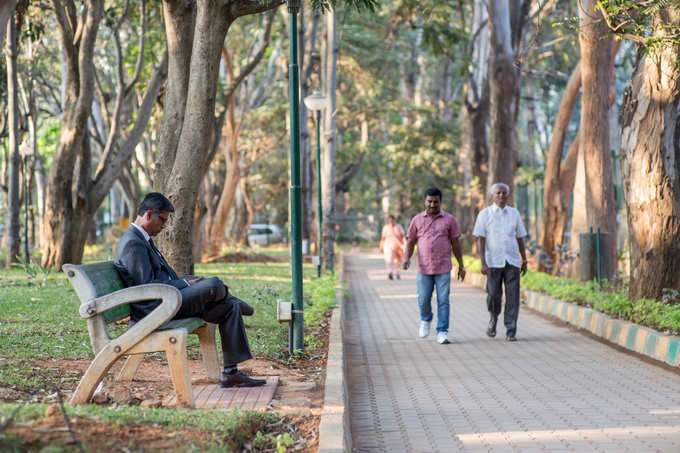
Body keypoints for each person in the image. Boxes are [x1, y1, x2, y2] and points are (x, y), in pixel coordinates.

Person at [114, 192, 265, 388]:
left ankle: (231, 373)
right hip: (155, 309)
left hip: (168, 301)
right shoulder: (133, 242)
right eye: (163, 220)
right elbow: (148, 285)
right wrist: (185, 285)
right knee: (214, 284)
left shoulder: (142, 239)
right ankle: (237, 301)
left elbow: (162, 278)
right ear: (149, 214)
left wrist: (186, 282)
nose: (164, 226)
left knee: (228, 307)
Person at [403, 187, 466, 344]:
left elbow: (456, 244)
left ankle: (442, 331)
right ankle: (426, 319)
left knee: (443, 299)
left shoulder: (450, 220)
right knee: (423, 299)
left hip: (443, 267)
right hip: (424, 268)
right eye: (429, 201)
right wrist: (406, 258)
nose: (432, 205)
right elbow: (410, 241)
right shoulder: (417, 220)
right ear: (425, 201)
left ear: (440, 202)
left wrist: (461, 265)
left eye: (435, 202)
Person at [472, 182, 528, 342]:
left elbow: (520, 237)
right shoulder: (484, 214)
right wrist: (483, 262)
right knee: (493, 295)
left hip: (512, 261)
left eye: (504, 193)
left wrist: (524, 259)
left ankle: (511, 330)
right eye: (498, 193)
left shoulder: (514, 214)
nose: (501, 195)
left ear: (508, 195)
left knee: (512, 297)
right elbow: (481, 240)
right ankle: (493, 318)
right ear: (492, 195)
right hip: (493, 262)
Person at [379, 215, 406, 280]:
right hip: (388, 246)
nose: (391, 222)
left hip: (398, 245)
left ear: (395, 220)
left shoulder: (398, 226)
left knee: (398, 260)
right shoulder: (386, 227)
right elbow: (383, 238)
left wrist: (405, 245)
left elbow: (403, 236)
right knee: (389, 259)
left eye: (392, 221)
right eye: (390, 221)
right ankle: (390, 272)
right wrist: (381, 246)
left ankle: (397, 273)